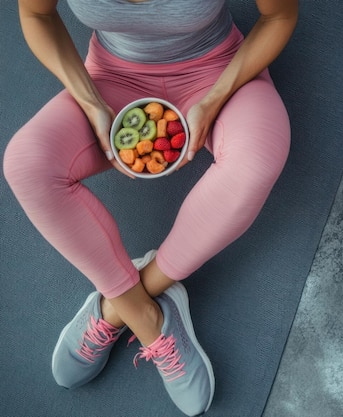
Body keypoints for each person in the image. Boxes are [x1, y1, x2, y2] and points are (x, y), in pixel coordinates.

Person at [3, 0, 297, 415]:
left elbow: (279, 15)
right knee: (25, 164)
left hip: (218, 70)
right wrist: (90, 101)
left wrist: (214, 100)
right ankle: (147, 318)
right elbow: (35, 14)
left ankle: (123, 302)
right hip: (111, 79)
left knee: (258, 161)